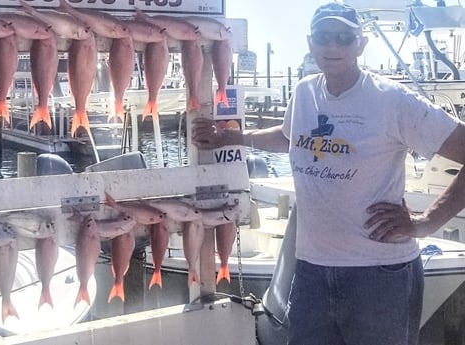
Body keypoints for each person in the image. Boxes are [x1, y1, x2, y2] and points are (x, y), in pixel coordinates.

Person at [193, 3, 465, 344]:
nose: (333, 47)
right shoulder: (305, 91)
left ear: (361, 44)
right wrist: (231, 138)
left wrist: (426, 222)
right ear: (310, 42)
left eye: (344, 38)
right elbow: (291, 137)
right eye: (324, 37)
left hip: (379, 275)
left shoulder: (393, 99)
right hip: (310, 270)